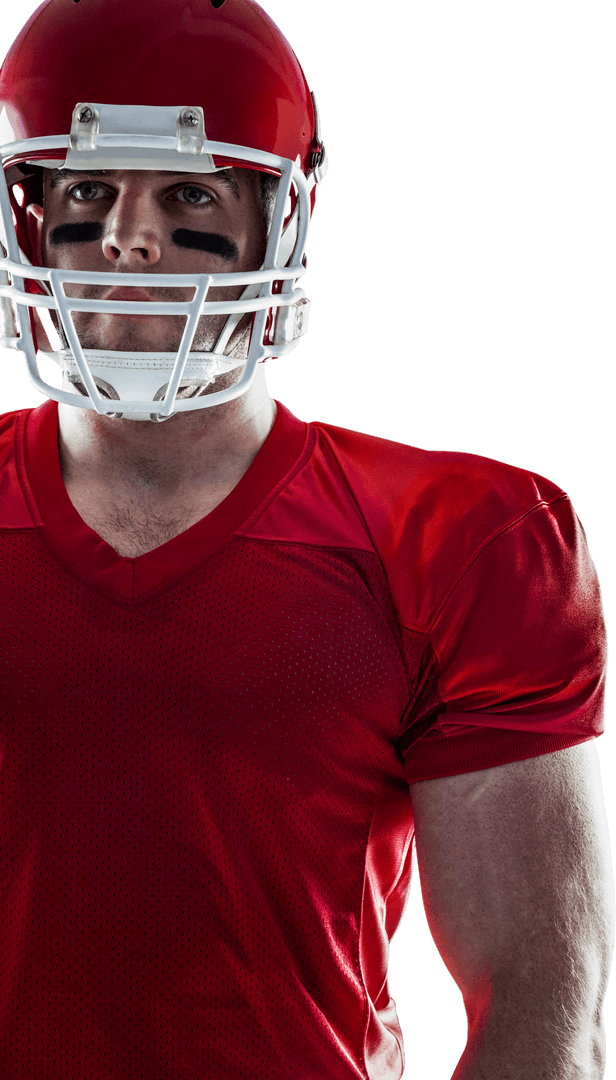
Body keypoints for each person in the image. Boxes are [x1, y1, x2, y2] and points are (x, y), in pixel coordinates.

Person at [0, 0, 612, 1077]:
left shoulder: (457, 540)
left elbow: (537, 1001)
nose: (135, 236)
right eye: (90, 189)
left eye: (189, 191)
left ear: (280, 217)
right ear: (29, 210)